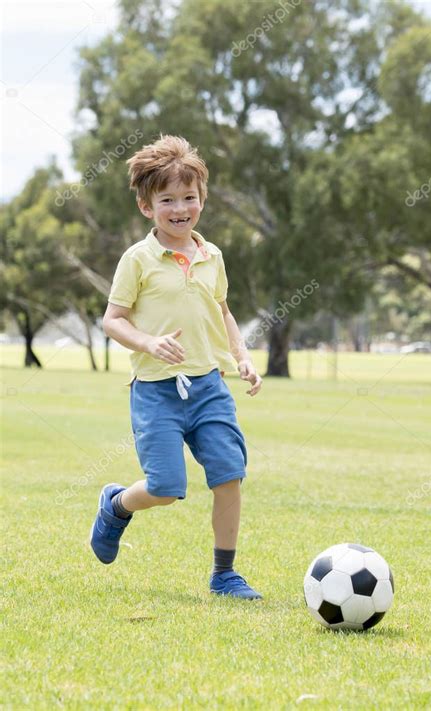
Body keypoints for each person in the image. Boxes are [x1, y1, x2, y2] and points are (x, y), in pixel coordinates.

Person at [90, 134, 263, 599]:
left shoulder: (213, 257)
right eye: (167, 199)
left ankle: (224, 574)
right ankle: (116, 505)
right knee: (166, 488)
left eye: (189, 197)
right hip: (155, 390)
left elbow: (222, 310)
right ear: (148, 207)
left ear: (202, 200)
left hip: (209, 385)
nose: (180, 208)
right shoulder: (138, 259)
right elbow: (112, 320)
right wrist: (148, 341)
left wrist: (241, 357)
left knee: (229, 474)